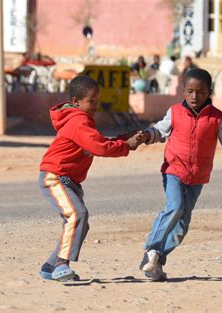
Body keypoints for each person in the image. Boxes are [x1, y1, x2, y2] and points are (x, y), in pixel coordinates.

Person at [137, 68, 222, 281]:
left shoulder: (216, 118)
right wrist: (147, 135)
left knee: (181, 227)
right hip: (174, 170)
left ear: (208, 92)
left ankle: (157, 262)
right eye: (189, 91)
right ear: (183, 91)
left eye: (200, 92)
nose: (194, 96)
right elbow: (160, 130)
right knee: (175, 207)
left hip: (197, 177)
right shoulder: (175, 112)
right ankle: (151, 251)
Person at [38, 75, 142, 282]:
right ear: (76, 102)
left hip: (69, 181)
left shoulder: (84, 121)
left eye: (97, 101)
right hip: (55, 177)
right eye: (91, 101)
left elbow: (99, 141)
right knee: (78, 215)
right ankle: (60, 265)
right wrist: (126, 146)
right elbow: (99, 148)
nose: (96, 105)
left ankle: (50, 266)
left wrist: (124, 138)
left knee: (78, 222)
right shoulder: (78, 120)